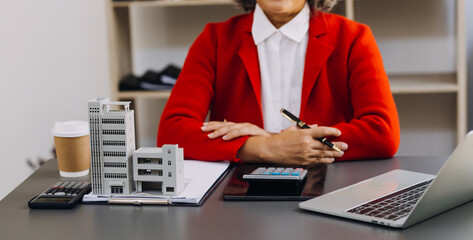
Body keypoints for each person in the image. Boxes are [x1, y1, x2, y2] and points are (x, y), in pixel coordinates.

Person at [158, 0, 400, 165]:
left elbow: (382, 133)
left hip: (332, 184)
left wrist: (278, 141)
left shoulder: (354, 37)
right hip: (241, 192)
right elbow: (172, 132)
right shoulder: (214, 40)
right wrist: (265, 147)